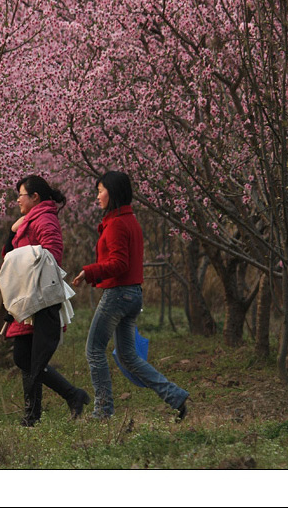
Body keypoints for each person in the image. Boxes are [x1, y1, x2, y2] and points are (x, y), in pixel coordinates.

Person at [71, 171, 189, 422]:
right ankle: (175, 396)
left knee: (94, 350)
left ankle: (103, 411)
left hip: (118, 295)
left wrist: (88, 271)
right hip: (133, 294)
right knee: (128, 356)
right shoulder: (129, 220)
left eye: (100, 190)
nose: (97, 196)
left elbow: (119, 263)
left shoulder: (116, 224)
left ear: (112, 192)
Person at [3, 175, 89, 427]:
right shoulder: (28, 220)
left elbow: (52, 255)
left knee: (29, 358)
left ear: (35, 197)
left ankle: (65, 399)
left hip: (38, 298)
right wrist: (12, 231)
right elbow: (11, 254)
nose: (17, 199)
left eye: (21, 194)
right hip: (25, 297)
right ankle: (37, 413)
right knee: (25, 357)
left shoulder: (45, 219)